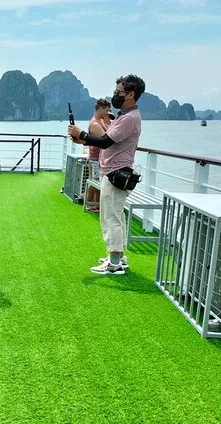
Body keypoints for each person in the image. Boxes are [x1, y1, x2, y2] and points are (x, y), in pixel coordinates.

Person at [68, 74, 145, 275]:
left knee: (111, 218)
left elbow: (105, 142)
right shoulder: (125, 116)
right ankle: (119, 257)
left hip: (116, 172)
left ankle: (114, 263)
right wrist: (83, 140)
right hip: (113, 171)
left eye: (118, 92)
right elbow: (107, 141)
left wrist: (82, 134)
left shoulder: (129, 118)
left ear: (130, 94)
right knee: (115, 216)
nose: (114, 95)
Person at [85, 99, 112, 212]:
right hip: (95, 158)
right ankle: (89, 204)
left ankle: (96, 205)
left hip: (99, 158)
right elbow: (106, 140)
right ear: (100, 108)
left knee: (97, 181)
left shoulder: (100, 121)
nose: (107, 112)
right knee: (94, 181)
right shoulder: (95, 124)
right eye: (106, 110)